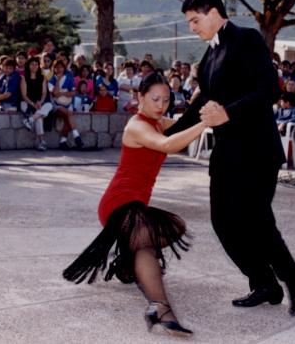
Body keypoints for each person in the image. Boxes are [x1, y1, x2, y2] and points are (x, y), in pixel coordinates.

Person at [165, 0, 295, 316]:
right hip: (226, 154)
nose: (192, 27)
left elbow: (269, 89)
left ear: (214, 12)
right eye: (189, 22)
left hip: (257, 151)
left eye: (195, 20)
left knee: (257, 221)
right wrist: (166, 129)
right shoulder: (208, 57)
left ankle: (294, 278)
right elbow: (202, 103)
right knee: (223, 221)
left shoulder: (247, 39)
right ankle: (263, 282)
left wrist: (228, 113)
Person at [63, 73, 206, 337]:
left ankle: (128, 260)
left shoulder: (159, 122)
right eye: (154, 99)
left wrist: (206, 109)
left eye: (165, 100)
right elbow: (169, 144)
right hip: (118, 202)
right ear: (140, 97)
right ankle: (161, 308)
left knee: (173, 228)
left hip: (136, 204)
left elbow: (184, 124)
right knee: (145, 246)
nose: (161, 105)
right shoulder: (137, 126)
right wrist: (204, 124)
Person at [20, 57, 53, 151]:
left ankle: (30, 120)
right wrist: (33, 104)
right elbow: (24, 95)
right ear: (28, 66)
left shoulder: (42, 78)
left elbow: (44, 93)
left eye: (36, 64)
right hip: (27, 102)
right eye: (32, 64)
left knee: (49, 105)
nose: (34, 66)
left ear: (39, 66)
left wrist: (41, 101)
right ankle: (42, 142)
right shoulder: (24, 78)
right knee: (39, 117)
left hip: (39, 102)